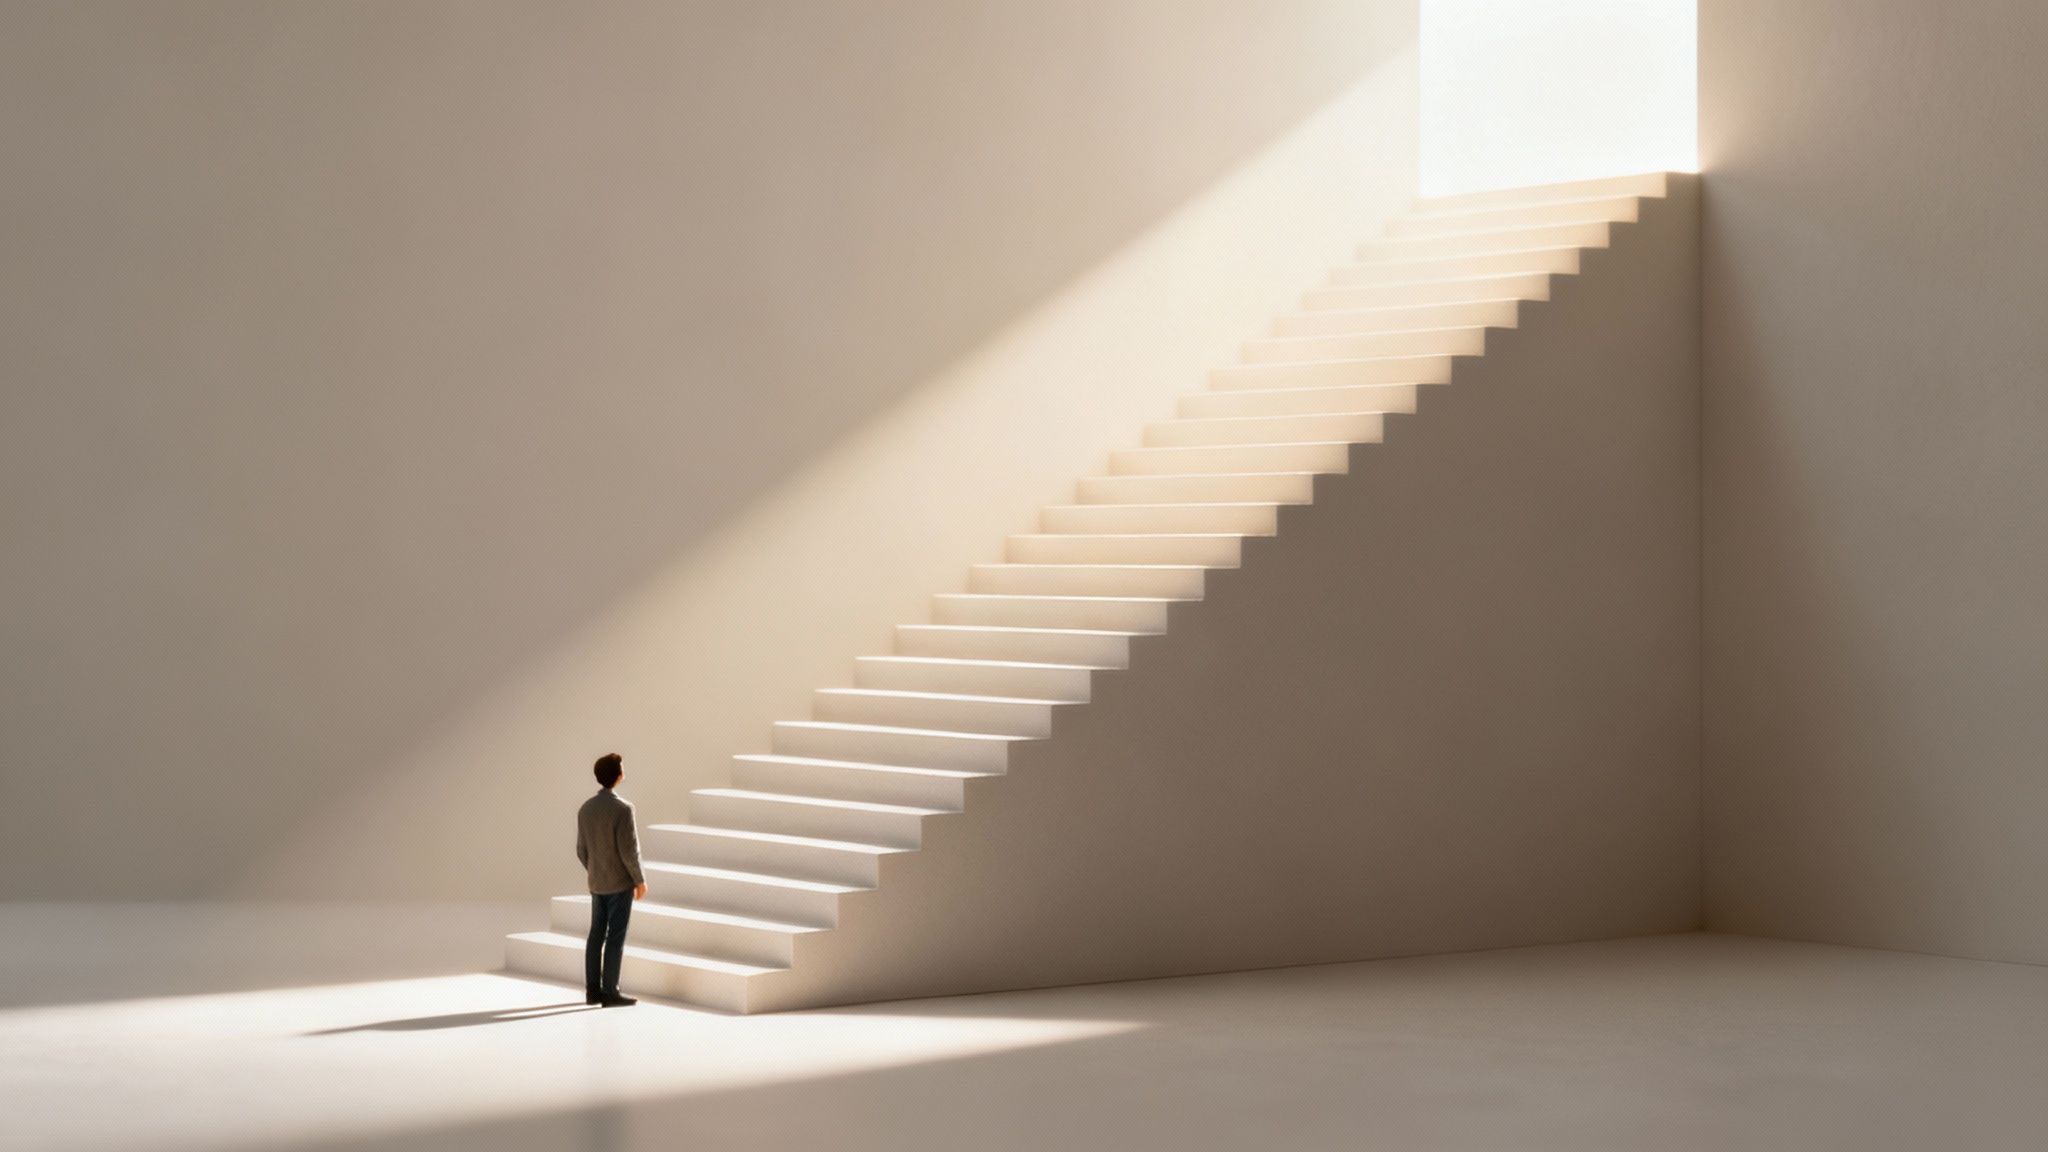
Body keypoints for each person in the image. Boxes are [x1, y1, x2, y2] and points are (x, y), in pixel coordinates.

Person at [576, 752, 646, 1007]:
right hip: (619, 884)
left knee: (595, 935)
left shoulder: (585, 809)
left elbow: (581, 850)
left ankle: (592, 990)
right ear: (618, 775)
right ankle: (610, 991)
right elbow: (629, 851)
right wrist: (639, 879)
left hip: (597, 884)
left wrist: (596, 870)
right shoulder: (623, 809)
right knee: (615, 937)